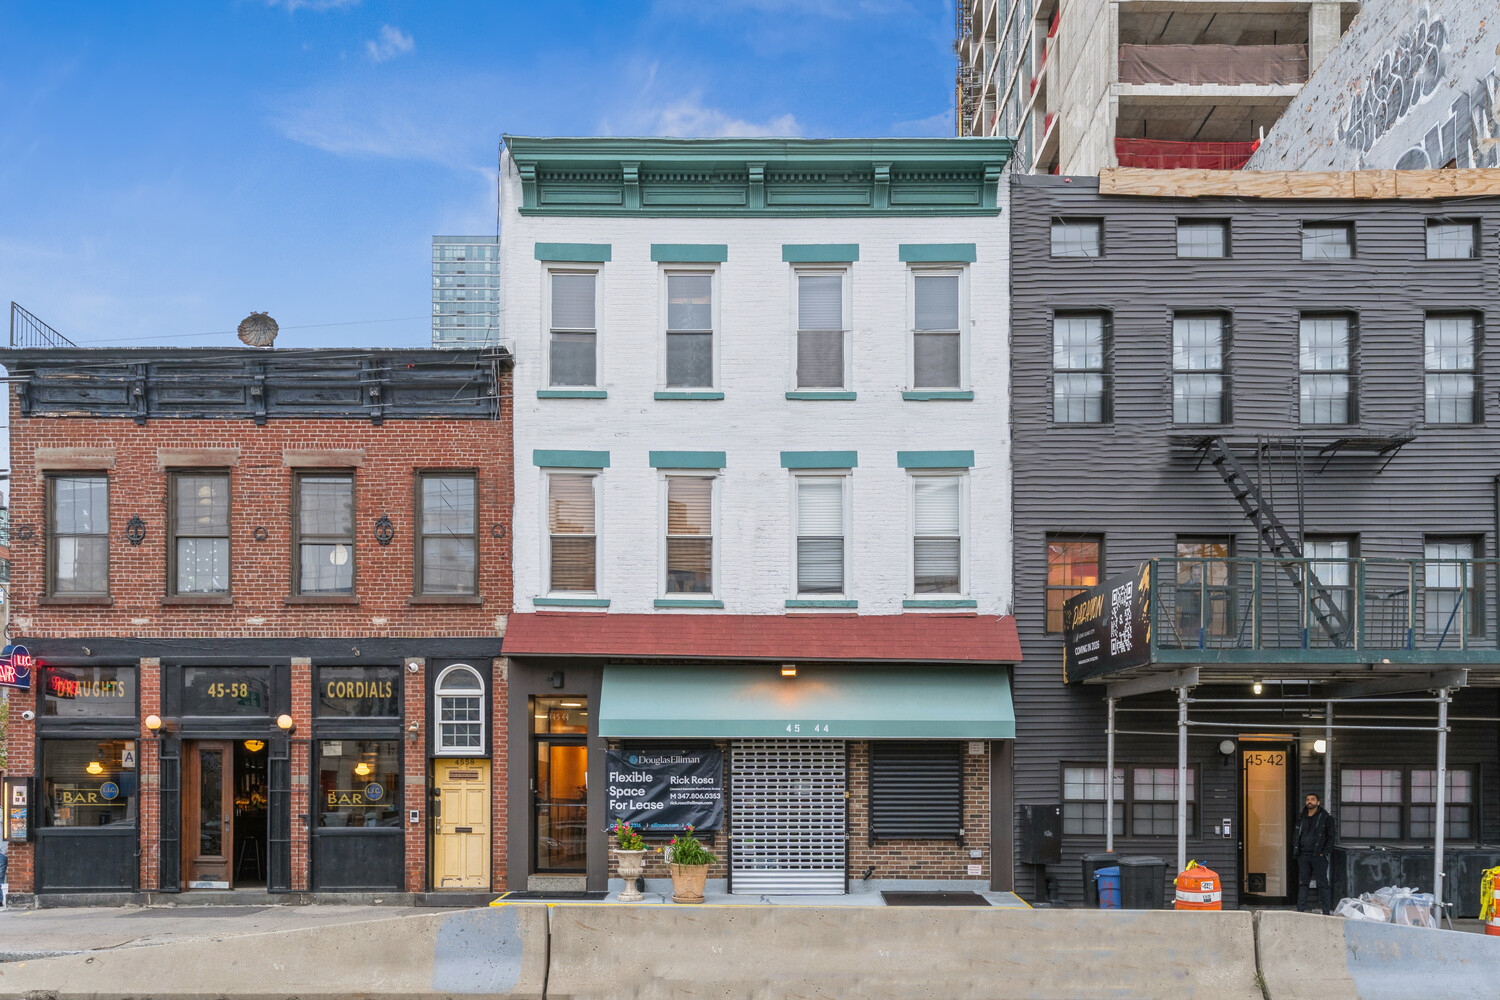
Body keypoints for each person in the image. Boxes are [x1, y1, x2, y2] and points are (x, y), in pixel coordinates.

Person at [1293, 791, 1335, 914]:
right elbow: (1296, 835)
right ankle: (1300, 910)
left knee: (1323, 884)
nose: (1309, 802)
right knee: (1303, 883)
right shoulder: (1301, 817)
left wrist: (1324, 852)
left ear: (1318, 802)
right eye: (1307, 800)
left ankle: (1326, 911)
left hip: (1319, 856)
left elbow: (1331, 837)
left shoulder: (1326, 818)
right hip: (1303, 855)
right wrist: (1297, 850)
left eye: (1312, 799)